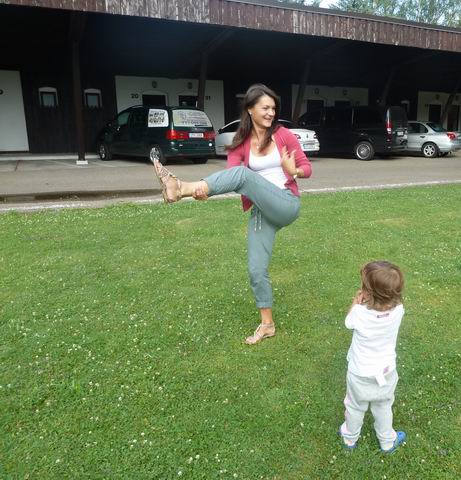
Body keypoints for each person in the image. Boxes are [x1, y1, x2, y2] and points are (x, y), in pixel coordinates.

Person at [153, 84, 312, 345]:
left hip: (285, 202)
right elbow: (230, 178)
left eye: (273, 108)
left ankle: (180, 188)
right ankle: (267, 324)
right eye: (265, 108)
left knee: (243, 174)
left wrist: (293, 170)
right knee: (256, 269)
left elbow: (306, 168)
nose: (271, 113)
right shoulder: (241, 142)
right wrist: (205, 191)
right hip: (261, 209)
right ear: (250, 109)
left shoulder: (283, 135)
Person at [338, 261, 406, 453]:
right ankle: (387, 441)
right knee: (383, 406)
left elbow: (348, 322)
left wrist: (356, 302)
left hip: (360, 373)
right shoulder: (399, 311)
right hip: (386, 372)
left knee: (354, 406)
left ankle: (349, 438)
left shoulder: (359, 313)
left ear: (369, 293)